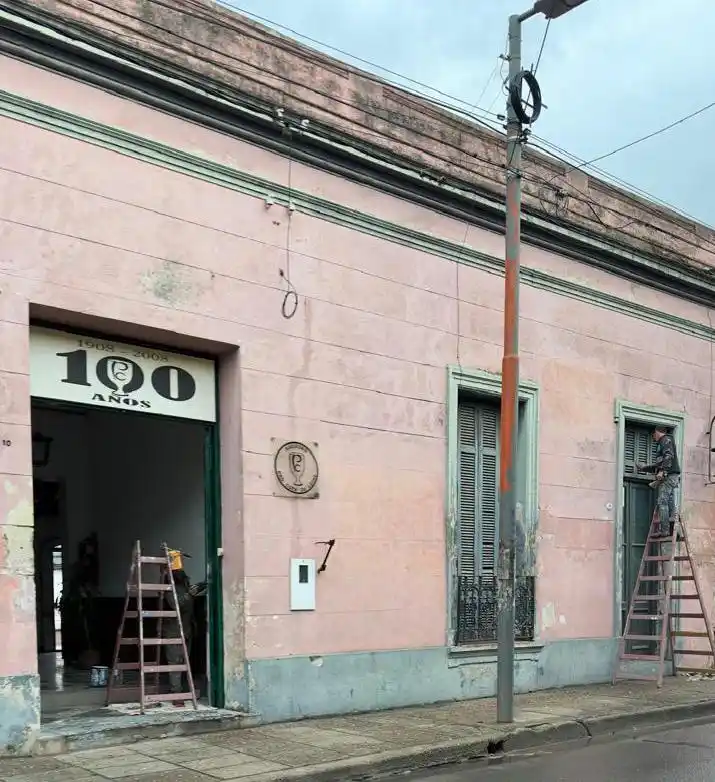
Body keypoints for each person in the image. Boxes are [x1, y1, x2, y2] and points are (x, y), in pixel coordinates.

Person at [162, 551, 206, 706]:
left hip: (187, 629)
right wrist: (190, 594)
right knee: (175, 662)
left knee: (184, 662)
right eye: (178, 572)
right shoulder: (167, 587)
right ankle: (176, 694)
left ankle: (183, 690)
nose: (181, 574)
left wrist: (197, 589)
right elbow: (176, 604)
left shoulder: (183, 585)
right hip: (173, 631)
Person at [636, 425, 681, 538]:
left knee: (662, 502)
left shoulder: (665, 440)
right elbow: (660, 463)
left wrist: (663, 471)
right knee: (670, 504)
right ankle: (674, 531)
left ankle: (665, 530)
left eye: (653, 435)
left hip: (669, 476)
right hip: (671, 476)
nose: (653, 437)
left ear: (657, 432)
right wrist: (645, 468)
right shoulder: (664, 442)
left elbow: (668, 456)